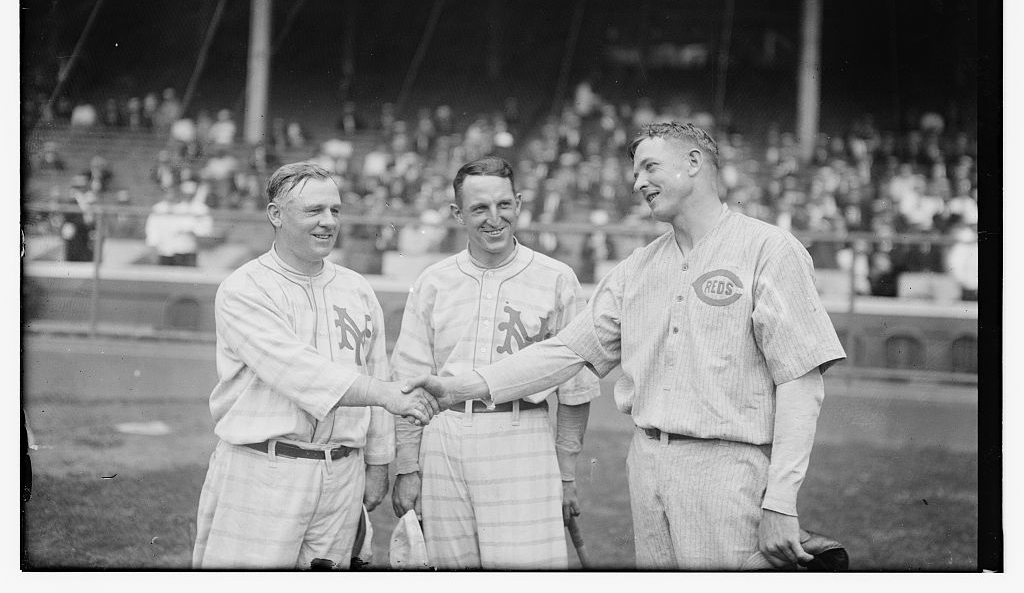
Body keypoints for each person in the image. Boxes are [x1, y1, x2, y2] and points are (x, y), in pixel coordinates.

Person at [412, 122, 846, 571]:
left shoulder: (769, 249)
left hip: (727, 469)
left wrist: (781, 501)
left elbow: (800, 382)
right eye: (636, 171)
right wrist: (461, 388)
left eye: (650, 167)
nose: (638, 182)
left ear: (694, 163)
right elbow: (563, 352)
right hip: (647, 466)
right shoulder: (637, 267)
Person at [192, 162, 440, 570]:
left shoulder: (357, 288)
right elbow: (299, 371)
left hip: (342, 473)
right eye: (314, 211)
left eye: (335, 211)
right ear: (276, 215)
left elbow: (378, 371)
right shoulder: (245, 288)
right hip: (265, 469)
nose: (328, 222)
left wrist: (378, 462)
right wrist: (385, 395)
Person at [390, 157, 600, 570]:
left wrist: (567, 473)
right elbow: (407, 382)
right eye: (479, 209)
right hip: (444, 439)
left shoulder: (556, 278)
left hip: (521, 435)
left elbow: (576, 391)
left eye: (504, 205)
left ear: (519, 204)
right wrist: (409, 467)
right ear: (457, 214)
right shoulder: (433, 280)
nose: (494, 219)